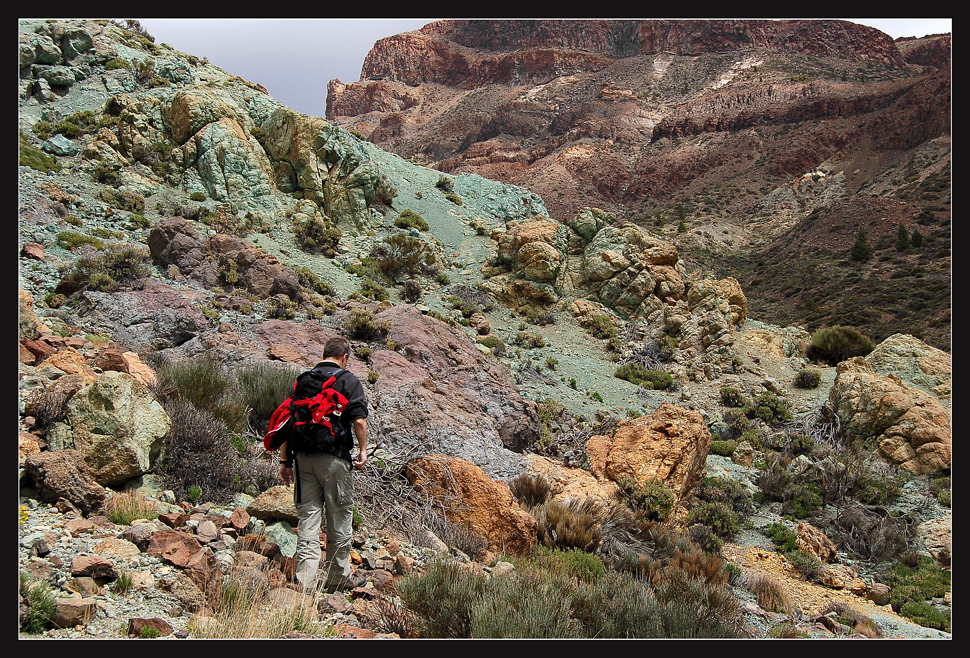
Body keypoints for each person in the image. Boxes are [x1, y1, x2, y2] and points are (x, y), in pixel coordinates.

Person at [278, 336, 369, 592]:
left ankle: (305, 578)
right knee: (339, 515)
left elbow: (287, 421)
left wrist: (285, 461)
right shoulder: (348, 380)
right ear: (345, 358)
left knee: (308, 516)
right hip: (335, 458)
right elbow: (359, 421)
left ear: (324, 353)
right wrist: (363, 451)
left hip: (303, 458)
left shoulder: (303, 380)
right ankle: (337, 578)